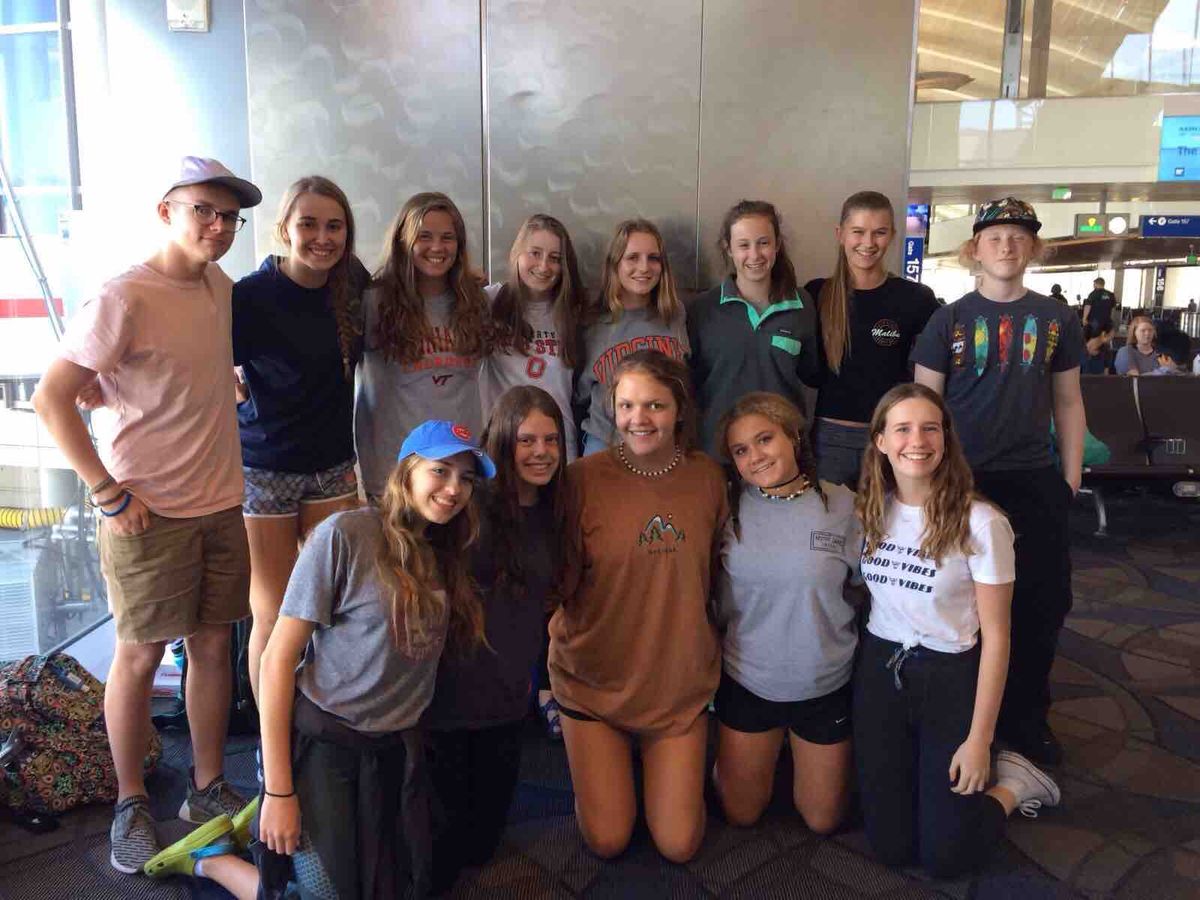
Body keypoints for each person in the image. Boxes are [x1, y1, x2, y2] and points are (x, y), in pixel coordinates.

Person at [143, 420, 494, 899]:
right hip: (325, 741)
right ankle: (212, 860)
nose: (454, 488)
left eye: (466, 478)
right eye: (441, 470)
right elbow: (276, 659)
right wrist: (278, 791)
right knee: (324, 896)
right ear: (407, 471)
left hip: (393, 746)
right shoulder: (346, 533)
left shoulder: (446, 550)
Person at [31, 156, 261, 873]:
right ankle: (130, 803)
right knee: (139, 656)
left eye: (229, 217)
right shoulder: (124, 294)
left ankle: (205, 787)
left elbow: (172, 371)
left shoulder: (220, 287)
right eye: (204, 211)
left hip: (222, 503)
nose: (218, 226)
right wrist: (106, 492)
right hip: (147, 513)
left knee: (213, 648)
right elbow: (51, 397)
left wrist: (225, 383)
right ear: (167, 212)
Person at [853, 383, 1059, 878]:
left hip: (949, 675)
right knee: (890, 848)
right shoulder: (869, 509)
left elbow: (999, 638)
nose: (917, 441)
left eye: (930, 428)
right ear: (880, 441)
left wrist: (979, 740)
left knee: (946, 859)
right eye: (902, 429)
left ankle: (1013, 785)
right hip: (881, 671)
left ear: (946, 439)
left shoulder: (982, 522)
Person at [913, 197, 1085, 766]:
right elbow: (925, 406)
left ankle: (1027, 719)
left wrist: (1069, 479)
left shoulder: (1057, 319)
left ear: (1032, 247)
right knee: (960, 604)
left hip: (1034, 481)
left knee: (1040, 604)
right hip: (964, 482)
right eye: (994, 237)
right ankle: (964, 718)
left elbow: (1068, 401)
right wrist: (928, 482)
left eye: (1017, 236)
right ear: (975, 249)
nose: (1006, 246)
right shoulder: (949, 319)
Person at [550, 349, 726, 863]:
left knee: (678, 844)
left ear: (679, 409)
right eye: (626, 406)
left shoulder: (709, 478)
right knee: (608, 840)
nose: (638, 419)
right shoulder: (580, 479)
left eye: (655, 405)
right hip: (593, 682)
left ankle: (657, 770)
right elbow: (555, 581)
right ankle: (607, 769)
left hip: (676, 686)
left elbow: (716, 578)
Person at [424, 387, 566, 892]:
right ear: (503, 442)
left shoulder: (556, 508)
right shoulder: (469, 503)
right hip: (445, 705)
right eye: (527, 440)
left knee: (482, 847)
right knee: (437, 863)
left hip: (506, 703)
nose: (541, 451)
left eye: (551, 439)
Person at [233, 175, 369, 701]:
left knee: (331, 605)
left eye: (334, 226)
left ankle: (319, 726)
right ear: (285, 228)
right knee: (273, 612)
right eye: (309, 224)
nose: (322, 237)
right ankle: (271, 738)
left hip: (332, 465)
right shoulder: (252, 294)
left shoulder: (352, 283)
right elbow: (199, 356)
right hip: (266, 468)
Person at [712, 392, 860, 833]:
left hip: (823, 683)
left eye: (765, 439)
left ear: (793, 436)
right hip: (749, 680)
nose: (755, 456)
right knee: (740, 814)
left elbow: (865, 590)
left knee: (822, 821)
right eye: (741, 450)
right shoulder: (726, 509)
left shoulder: (844, 506)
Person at [355, 192, 490, 499]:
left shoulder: (476, 302)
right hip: (395, 471)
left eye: (447, 237)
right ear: (403, 241)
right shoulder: (374, 302)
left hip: (459, 472)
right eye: (424, 236)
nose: (437, 247)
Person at [805, 191, 939, 487]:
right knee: (832, 518)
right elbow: (805, 372)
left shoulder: (915, 299)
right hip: (830, 441)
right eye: (858, 232)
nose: (868, 242)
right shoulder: (816, 295)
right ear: (840, 234)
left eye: (879, 232)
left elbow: (934, 374)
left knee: (889, 518)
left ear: (892, 235)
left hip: (893, 438)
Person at [688, 200, 821, 455]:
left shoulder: (802, 304)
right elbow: (692, 383)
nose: (755, 255)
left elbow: (810, 377)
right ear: (728, 249)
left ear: (777, 245)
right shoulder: (702, 309)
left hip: (781, 453)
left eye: (763, 243)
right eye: (743, 245)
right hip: (717, 451)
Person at [575, 219, 689, 455]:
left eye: (653, 258)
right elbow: (579, 395)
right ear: (615, 263)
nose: (644, 267)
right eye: (633, 257)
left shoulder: (675, 314)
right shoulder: (590, 321)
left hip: (664, 441)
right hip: (605, 443)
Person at [480, 214, 586, 461]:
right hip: (504, 443)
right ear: (517, 253)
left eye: (555, 258)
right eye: (535, 253)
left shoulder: (574, 313)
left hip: (557, 445)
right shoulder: (490, 301)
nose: (544, 266)